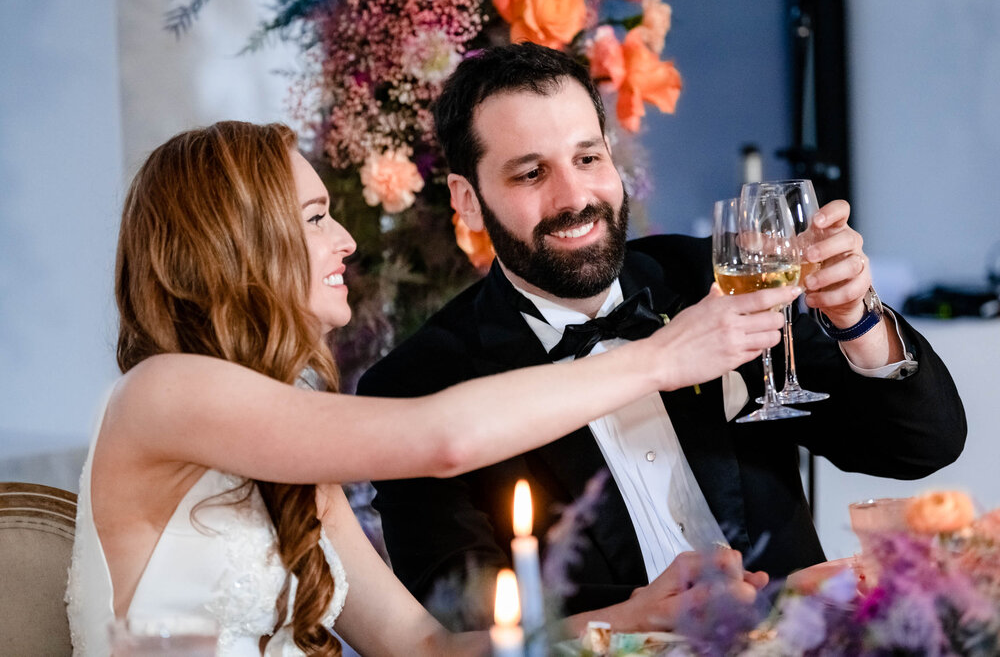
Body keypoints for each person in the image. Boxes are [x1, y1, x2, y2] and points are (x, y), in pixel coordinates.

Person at [66, 121, 783, 657]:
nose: (346, 239)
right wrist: (660, 357)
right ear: (233, 243)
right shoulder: (162, 393)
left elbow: (420, 648)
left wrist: (629, 616)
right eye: (316, 218)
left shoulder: (289, 445)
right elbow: (442, 439)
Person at [358, 43, 967, 621]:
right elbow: (457, 613)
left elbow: (920, 446)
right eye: (530, 174)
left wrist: (854, 317)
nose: (575, 198)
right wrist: (641, 617)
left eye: (588, 158)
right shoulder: (417, 384)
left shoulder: (709, 276)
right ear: (467, 199)